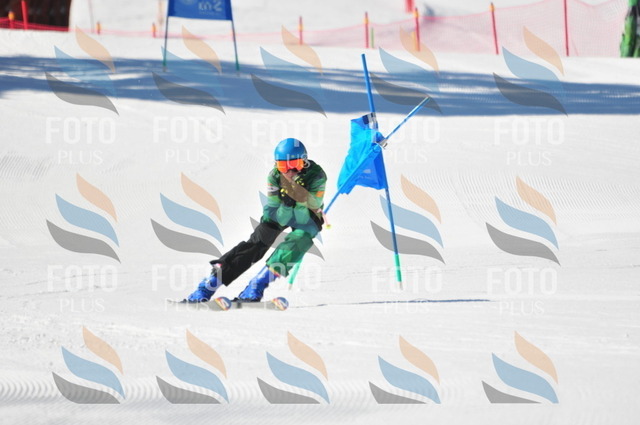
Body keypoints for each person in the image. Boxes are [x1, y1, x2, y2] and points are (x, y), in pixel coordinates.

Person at [185, 138, 327, 303]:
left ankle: (257, 285)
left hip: (308, 216)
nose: (289, 171)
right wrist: (288, 204)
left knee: (299, 240)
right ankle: (208, 286)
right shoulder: (275, 176)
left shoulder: (317, 176)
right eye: (283, 166)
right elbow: (279, 217)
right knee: (257, 243)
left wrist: (299, 195)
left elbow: (303, 217)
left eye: (295, 164)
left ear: (304, 161)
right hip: (278, 212)